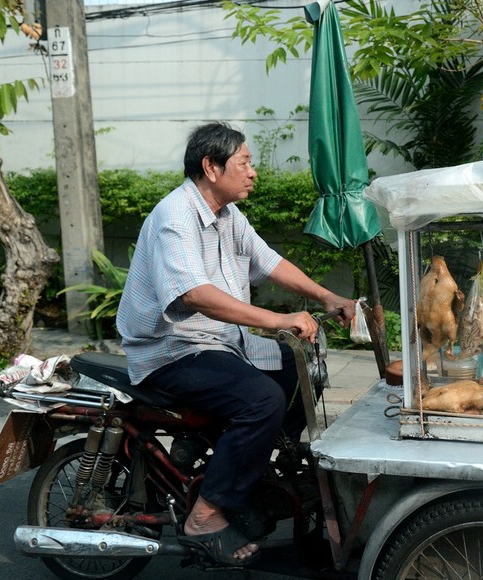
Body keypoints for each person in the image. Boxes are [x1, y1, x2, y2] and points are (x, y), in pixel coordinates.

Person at [116, 121, 355, 567]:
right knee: (261, 399)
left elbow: (269, 262)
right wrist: (280, 318)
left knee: (299, 367)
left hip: (216, 343)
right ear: (211, 167)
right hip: (170, 348)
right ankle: (206, 513)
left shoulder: (227, 215)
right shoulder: (176, 216)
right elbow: (195, 295)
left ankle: (250, 468)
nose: (252, 172)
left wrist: (327, 296)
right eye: (244, 162)